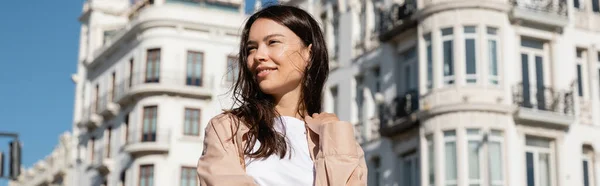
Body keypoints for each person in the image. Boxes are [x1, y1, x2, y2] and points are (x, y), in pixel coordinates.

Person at [196, 5, 367, 186]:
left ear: (309, 53)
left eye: (273, 42)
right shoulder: (227, 129)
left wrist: (335, 137)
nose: (258, 55)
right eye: (251, 48)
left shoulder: (335, 136)